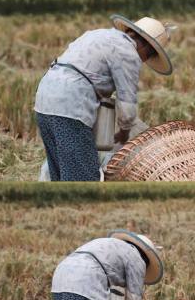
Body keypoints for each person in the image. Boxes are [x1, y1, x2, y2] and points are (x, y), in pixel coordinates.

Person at [34, 15, 175, 181]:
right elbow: (126, 104)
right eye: (148, 57)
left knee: (58, 170)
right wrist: (124, 133)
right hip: (71, 105)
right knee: (82, 177)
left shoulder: (98, 34)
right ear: (146, 49)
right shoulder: (129, 53)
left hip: (45, 98)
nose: (143, 61)